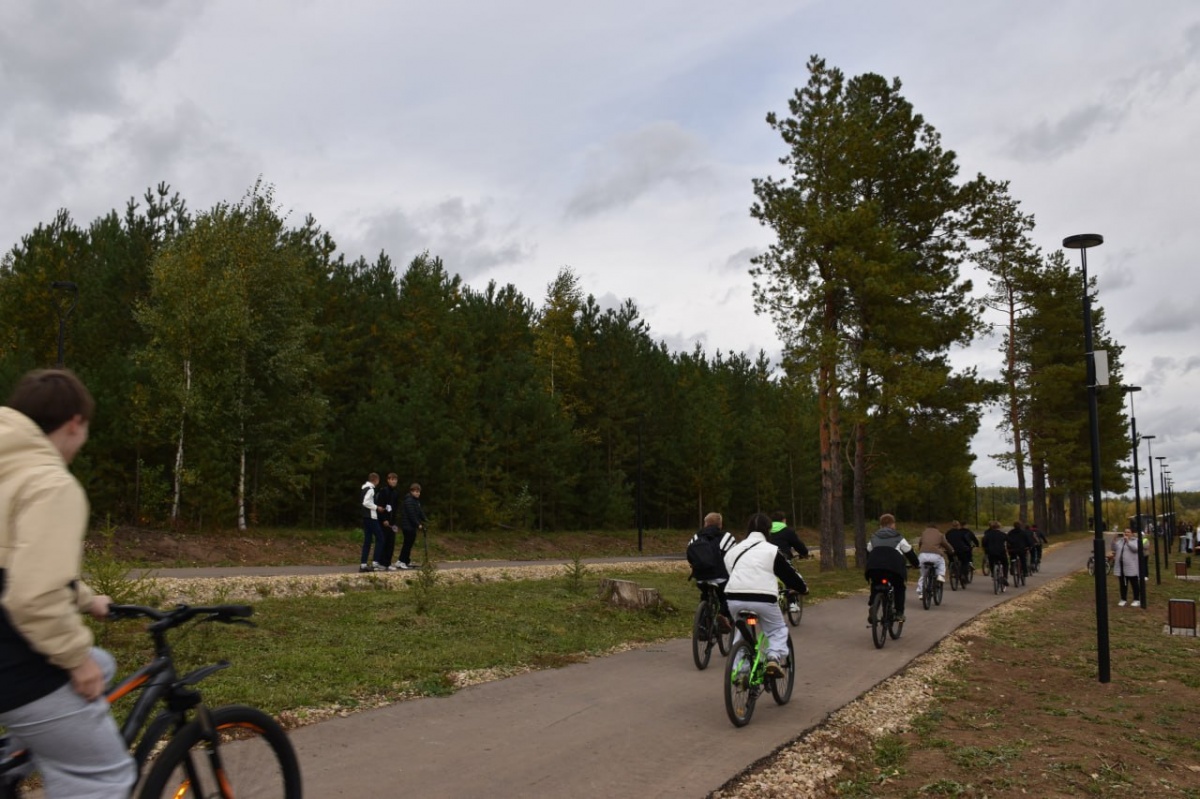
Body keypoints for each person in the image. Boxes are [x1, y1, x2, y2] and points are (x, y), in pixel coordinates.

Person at [0, 369, 137, 797]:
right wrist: (75, 659)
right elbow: (32, 596)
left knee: (105, 664)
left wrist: (86, 599)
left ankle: (10, 767)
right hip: (12, 661)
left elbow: (16, 561)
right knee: (103, 777)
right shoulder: (51, 483)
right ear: (74, 423)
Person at [723, 513, 808, 678]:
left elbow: (730, 570)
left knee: (741, 630)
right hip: (763, 598)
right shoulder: (771, 550)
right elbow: (788, 575)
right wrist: (803, 588)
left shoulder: (734, 550)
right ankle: (773, 658)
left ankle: (740, 671)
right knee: (777, 629)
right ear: (768, 530)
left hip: (734, 598)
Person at [864, 513, 920, 623]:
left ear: (880, 525)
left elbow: (868, 552)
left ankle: (873, 606)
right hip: (893, 568)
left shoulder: (874, 537)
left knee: (875, 583)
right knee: (899, 587)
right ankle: (899, 613)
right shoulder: (898, 537)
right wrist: (916, 564)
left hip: (875, 566)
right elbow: (909, 553)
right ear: (893, 525)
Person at [686, 512, 737, 630]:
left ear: (705, 524)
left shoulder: (696, 537)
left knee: (705, 595)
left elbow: (690, 554)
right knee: (726, 596)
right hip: (721, 577)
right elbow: (733, 557)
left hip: (700, 577)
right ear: (720, 524)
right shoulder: (727, 537)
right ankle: (723, 616)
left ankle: (702, 624)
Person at [1110, 528, 1147, 607]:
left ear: (1132, 534)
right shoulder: (1120, 541)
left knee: (1134, 583)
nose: (1126, 533)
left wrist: (1128, 542)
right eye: (1125, 532)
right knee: (1123, 583)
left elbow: (1135, 549)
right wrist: (1114, 539)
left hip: (1131, 566)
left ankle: (1136, 599)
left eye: (1128, 532)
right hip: (1121, 566)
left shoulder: (1135, 541)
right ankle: (1123, 599)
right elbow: (1113, 548)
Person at [394, 482, 427, 570]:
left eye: (419, 492)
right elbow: (411, 515)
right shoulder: (409, 501)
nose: (417, 493)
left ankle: (406, 560)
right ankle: (401, 561)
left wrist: (426, 520)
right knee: (407, 544)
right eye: (416, 491)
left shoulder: (415, 501)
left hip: (411, 527)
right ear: (411, 492)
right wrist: (418, 524)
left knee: (409, 543)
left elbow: (420, 512)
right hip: (407, 526)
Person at [915, 524, 953, 597]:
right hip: (935, 555)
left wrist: (921, 549)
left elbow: (920, 543)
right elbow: (946, 545)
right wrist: (951, 551)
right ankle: (940, 575)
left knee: (923, 574)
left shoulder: (924, 533)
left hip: (923, 555)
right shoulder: (940, 534)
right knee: (942, 562)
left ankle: (921, 592)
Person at [359, 472, 385, 572]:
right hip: (371, 517)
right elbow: (365, 502)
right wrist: (376, 507)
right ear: (376, 480)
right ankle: (375, 562)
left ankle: (363, 564)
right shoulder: (370, 489)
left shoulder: (364, 488)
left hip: (365, 517)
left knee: (368, 540)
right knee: (380, 538)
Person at [375, 473, 401, 570]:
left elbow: (395, 509)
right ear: (388, 480)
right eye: (392, 479)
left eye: (395, 479)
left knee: (391, 542)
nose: (394, 481)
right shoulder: (383, 491)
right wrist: (384, 519)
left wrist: (394, 522)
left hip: (392, 522)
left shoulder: (396, 493)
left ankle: (388, 563)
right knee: (384, 541)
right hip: (383, 522)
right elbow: (380, 506)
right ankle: (381, 562)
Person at [981, 521, 1009, 587]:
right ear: (999, 527)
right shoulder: (1003, 534)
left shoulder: (987, 535)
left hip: (991, 552)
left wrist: (986, 549)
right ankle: (1005, 576)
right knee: (1005, 563)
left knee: (991, 562)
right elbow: (1009, 541)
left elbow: (984, 543)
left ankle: (993, 574)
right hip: (1001, 552)